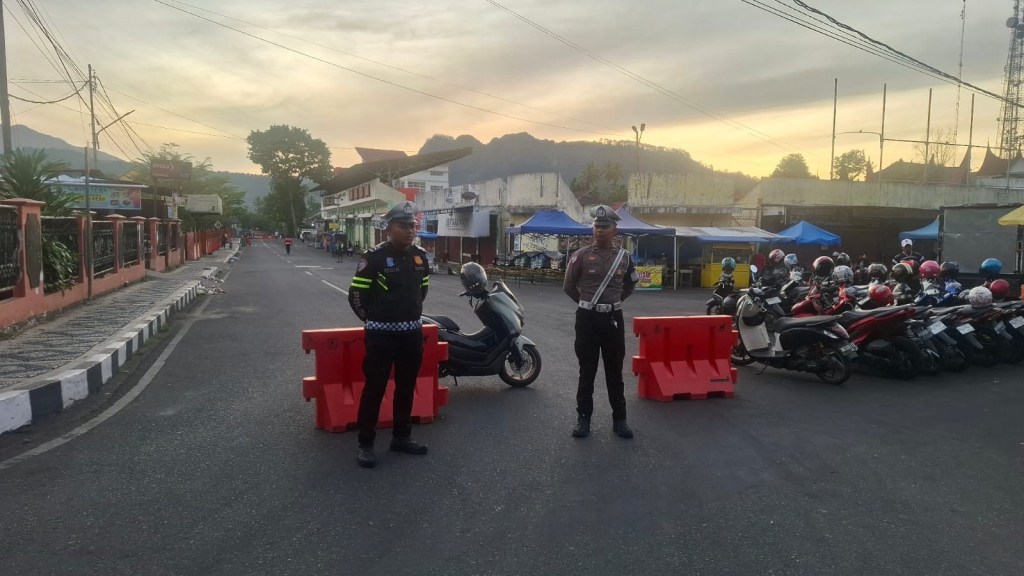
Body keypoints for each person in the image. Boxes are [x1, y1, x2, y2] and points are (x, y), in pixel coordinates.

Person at [348, 201, 431, 469]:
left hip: (411, 335)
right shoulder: (373, 258)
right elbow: (356, 295)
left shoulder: (420, 257)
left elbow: (422, 291)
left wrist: (408, 317)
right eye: (404, 226)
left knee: (406, 388)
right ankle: (365, 444)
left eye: (413, 226)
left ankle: (401, 437)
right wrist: (374, 321)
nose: (410, 231)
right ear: (389, 228)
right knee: (375, 389)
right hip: (381, 338)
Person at [562, 204, 638, 440]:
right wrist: (588, 305)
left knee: (614, 372)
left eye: (605, 227)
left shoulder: (624, 258)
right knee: (587, 371)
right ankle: (583, 419)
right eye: (597, 226)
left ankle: (620, 420)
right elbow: (568, 286)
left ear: (615, 230)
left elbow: (630, 284)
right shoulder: (581, 255)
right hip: (587, 319)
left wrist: (615, 302)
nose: (600, 230)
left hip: (613, 319)